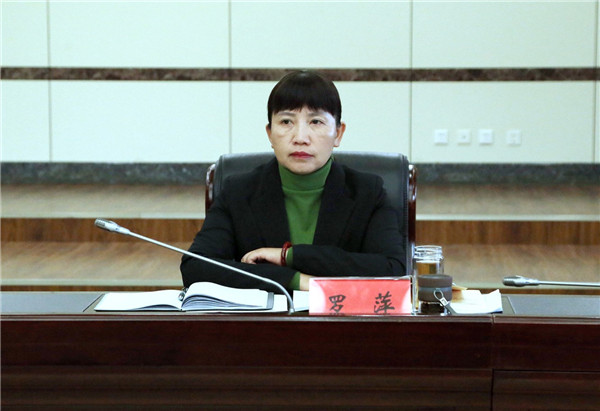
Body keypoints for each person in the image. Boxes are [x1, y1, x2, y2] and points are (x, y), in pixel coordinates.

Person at [180, 70, 405, 293]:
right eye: (286, 121)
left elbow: (392, 269)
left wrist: (288, 256)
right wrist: (294, 280)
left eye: (316, 121)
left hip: (343, 316)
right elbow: (196, 266)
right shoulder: (238, 192)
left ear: (338, 133)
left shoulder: (368, 192)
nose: (300, 138)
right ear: (270, 133)